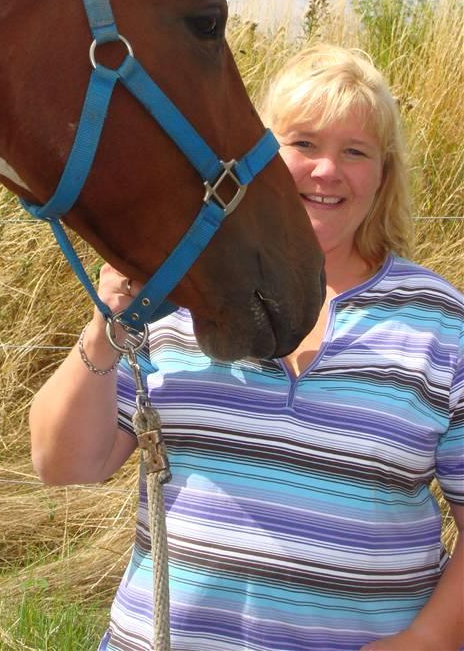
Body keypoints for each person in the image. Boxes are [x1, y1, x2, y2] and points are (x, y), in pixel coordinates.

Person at [29, 43, 464, 651]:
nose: (327, 170)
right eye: (304, 144)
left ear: (382, 176)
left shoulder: (440, 322)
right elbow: (65, 462)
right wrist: (107, 325)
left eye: (355, 152)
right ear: (257, 157)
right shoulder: (183, 290)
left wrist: (429, 641)